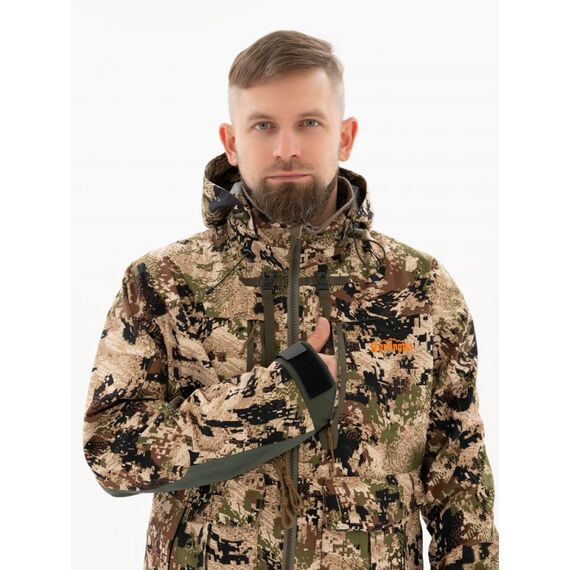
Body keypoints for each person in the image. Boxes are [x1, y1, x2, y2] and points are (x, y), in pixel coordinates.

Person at [82, 29, 499, 570]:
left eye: (308, 123)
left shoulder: (419, 287)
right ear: (231, 142)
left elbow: (461, 490)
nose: (286, 148)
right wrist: (283, 397)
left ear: (345, 136)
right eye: (263, 125)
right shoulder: (163, 282)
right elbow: (110, 451)